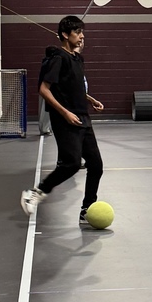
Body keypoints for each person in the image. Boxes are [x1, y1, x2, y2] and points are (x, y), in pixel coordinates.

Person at [21, 15, 105, 223]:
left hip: (83, 117)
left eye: (82, 32)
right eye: (77, 32)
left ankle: (87, 209)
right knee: (71, 164)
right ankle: (35, 193)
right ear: (65, 35)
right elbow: (43, 89)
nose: (82, 36)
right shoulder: (57, 58)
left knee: (96, 165)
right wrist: (65, 112)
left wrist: (90, 99)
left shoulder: (77, 59)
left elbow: (72, 86)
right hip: (65, 119)